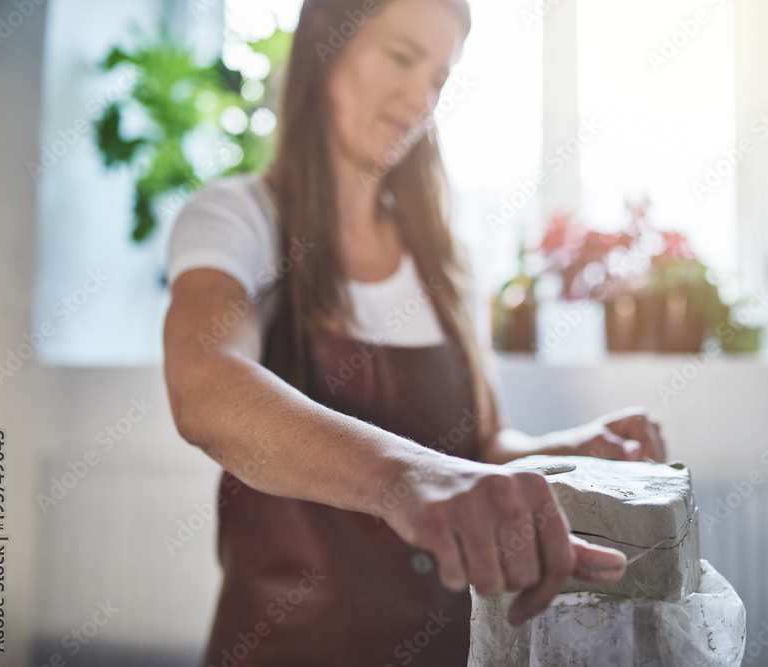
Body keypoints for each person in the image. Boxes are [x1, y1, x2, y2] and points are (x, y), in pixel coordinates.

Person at [162, 0, 667, 664]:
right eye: (401, 57)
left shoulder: (446, 257)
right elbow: (205, 385)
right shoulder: (237, 218)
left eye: (439, 77)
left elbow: (482, 442)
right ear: (325, 47)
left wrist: (564, 449)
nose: (420, 97)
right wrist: (406, 479)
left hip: (444, 644)